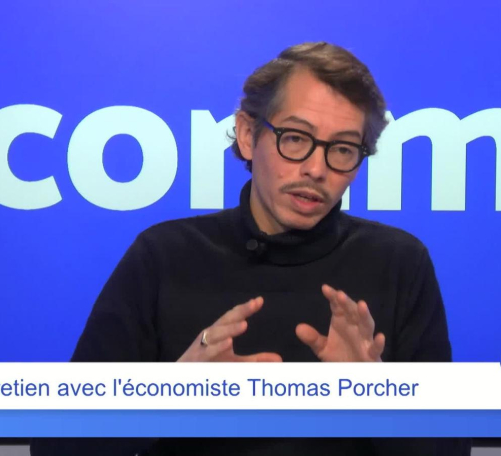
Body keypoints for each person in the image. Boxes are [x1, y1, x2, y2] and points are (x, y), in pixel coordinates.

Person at [31, 42, 471, 455]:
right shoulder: (163, 255)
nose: (316, 169)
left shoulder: (399, 262)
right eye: (295, 138)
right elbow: (56, 444)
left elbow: (451, 449)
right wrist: (170, 395)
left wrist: (378, 400)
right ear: (246, 134)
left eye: (342, 149)